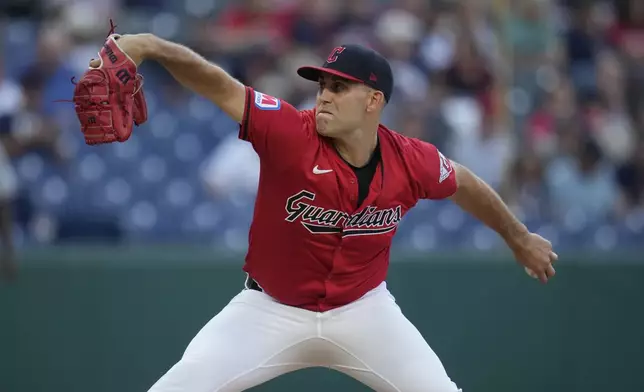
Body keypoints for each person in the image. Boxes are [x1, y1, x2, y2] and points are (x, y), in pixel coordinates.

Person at [90, 34, 558, 392]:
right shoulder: (290, 132)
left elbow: (466, 184)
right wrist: (150, 45)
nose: (324, 95)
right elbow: (218, 83)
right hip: (268, 310)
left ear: (374, 101)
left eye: (339, 87)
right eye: (322, 85)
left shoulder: (410, 160)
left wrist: (518, 238)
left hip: (364, 311)